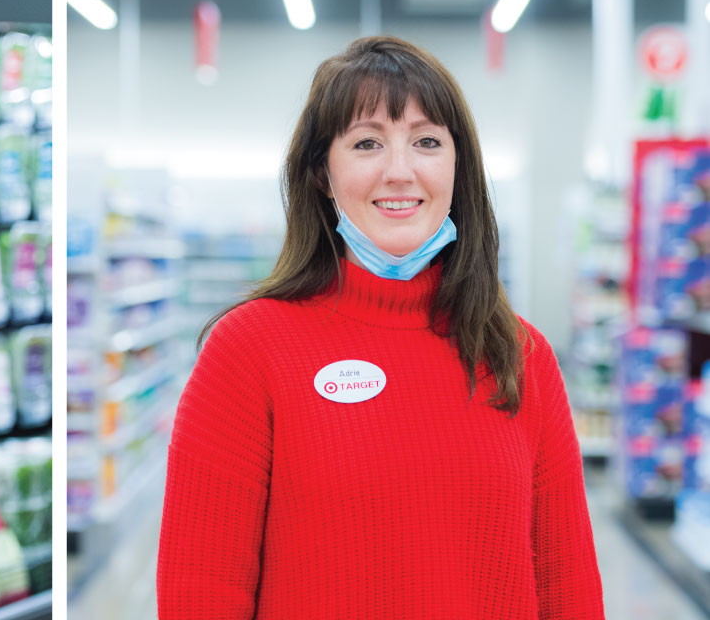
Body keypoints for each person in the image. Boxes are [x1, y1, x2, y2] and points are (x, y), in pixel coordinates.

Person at [156, 36, 604, 618]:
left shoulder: (520, 353)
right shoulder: (249, 350)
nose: (400, 171)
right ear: (321, 171)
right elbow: (201, 592)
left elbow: (568, 586)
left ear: (457, 165)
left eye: (426, 142)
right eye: (367, 142)